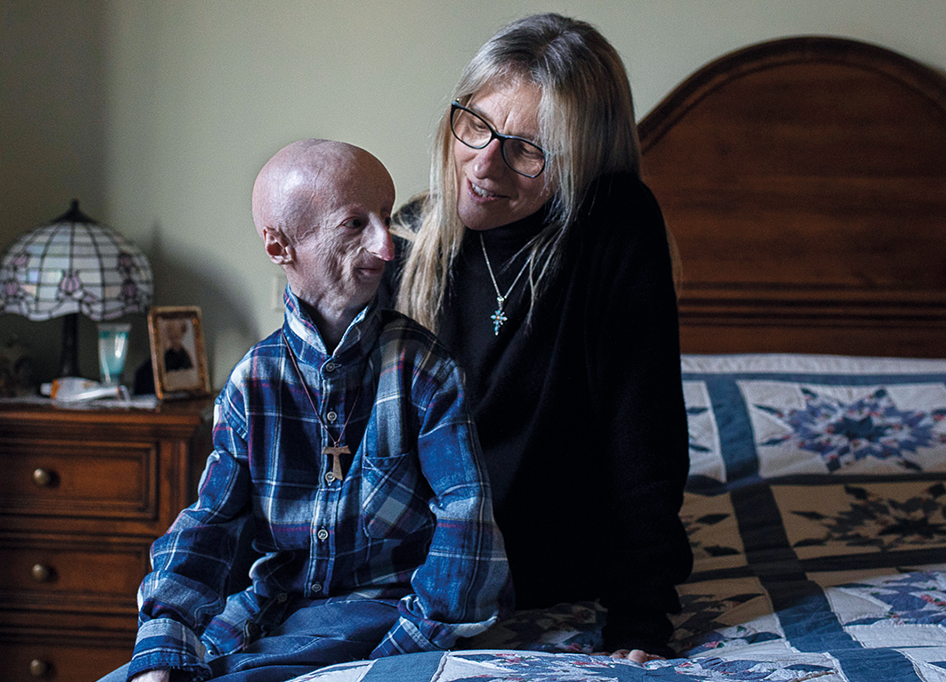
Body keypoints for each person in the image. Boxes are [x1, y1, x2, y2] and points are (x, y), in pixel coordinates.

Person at [104, 140, 511, 682]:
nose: (388, 247)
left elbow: (468, 517)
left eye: (386, 219)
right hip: (271, 606)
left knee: (245, 674)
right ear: (279, 246)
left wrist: (402, 650)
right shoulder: (252, 380)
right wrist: (164, 637)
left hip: (382, 610)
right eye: (354, 224)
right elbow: (211, 523)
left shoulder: (426, 369)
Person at [382, 13, 691, 662]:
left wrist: (640, 622)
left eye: (527, 149)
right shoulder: (407, 235)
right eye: (476, 125)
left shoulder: (612, 231)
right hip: (415, 574)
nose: (484, 165)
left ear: (584, 164)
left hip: (549, 572)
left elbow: (645, 437)